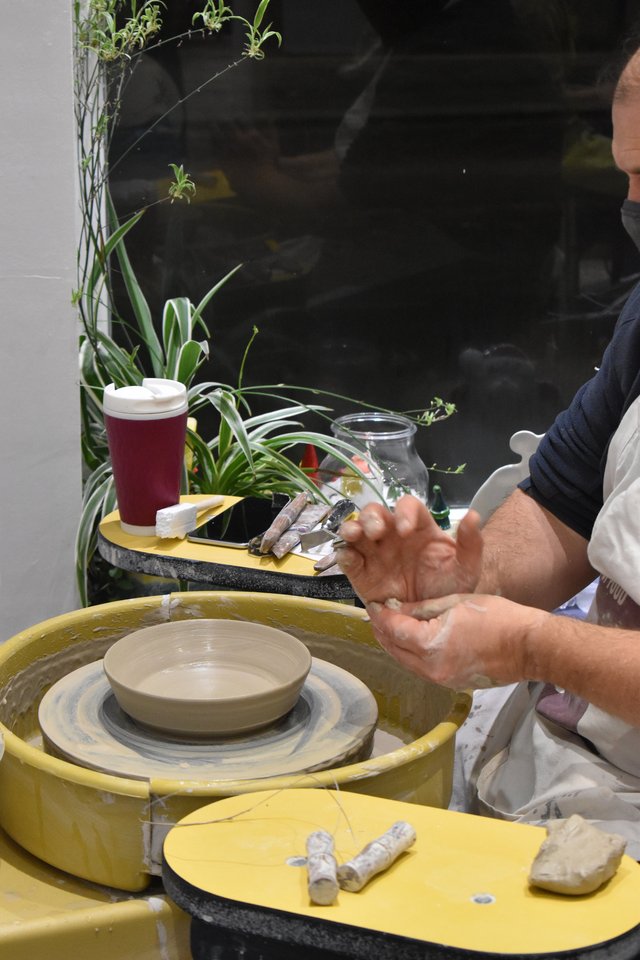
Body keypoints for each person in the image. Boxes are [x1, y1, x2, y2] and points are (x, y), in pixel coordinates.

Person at [337, 40, 640, 858]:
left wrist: (529, 642)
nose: (633, 208)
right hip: (578, 761)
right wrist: (468, 573)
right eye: (629, 179)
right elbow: (563, 506)